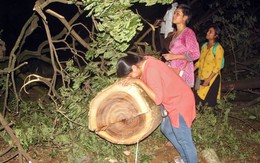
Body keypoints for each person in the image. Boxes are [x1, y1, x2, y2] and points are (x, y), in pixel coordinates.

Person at [117, 54, 198, 163]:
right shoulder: (145, 62)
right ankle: (185, 158)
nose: (132, 78)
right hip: (173, 100)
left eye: (130, 75)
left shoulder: (151, 70)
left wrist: (138, 82)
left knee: (184, 139)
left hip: (180, 102)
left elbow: (158, 99)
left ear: (134, 67)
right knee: (167, 130)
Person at [162, 4, 200, 88]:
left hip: (182, 74)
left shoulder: (188, 33)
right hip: (173, 71)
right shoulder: (175, 34)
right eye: (174, 13)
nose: (174, 15)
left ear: (185, 18)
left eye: (177, 14)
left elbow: (196, 54)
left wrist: (174, 56)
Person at [194, 24, 224, 107]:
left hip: (212, 79)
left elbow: (218, 66)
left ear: (216, 35)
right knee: (195, 98)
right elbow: (200, 62)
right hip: (200, 77)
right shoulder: (204, 46)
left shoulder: (218, 48)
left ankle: (209, 119)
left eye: (210, 32)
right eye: (208, 31)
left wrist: (208, 79)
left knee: (208, 103)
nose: (207, 33)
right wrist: (190, 70)